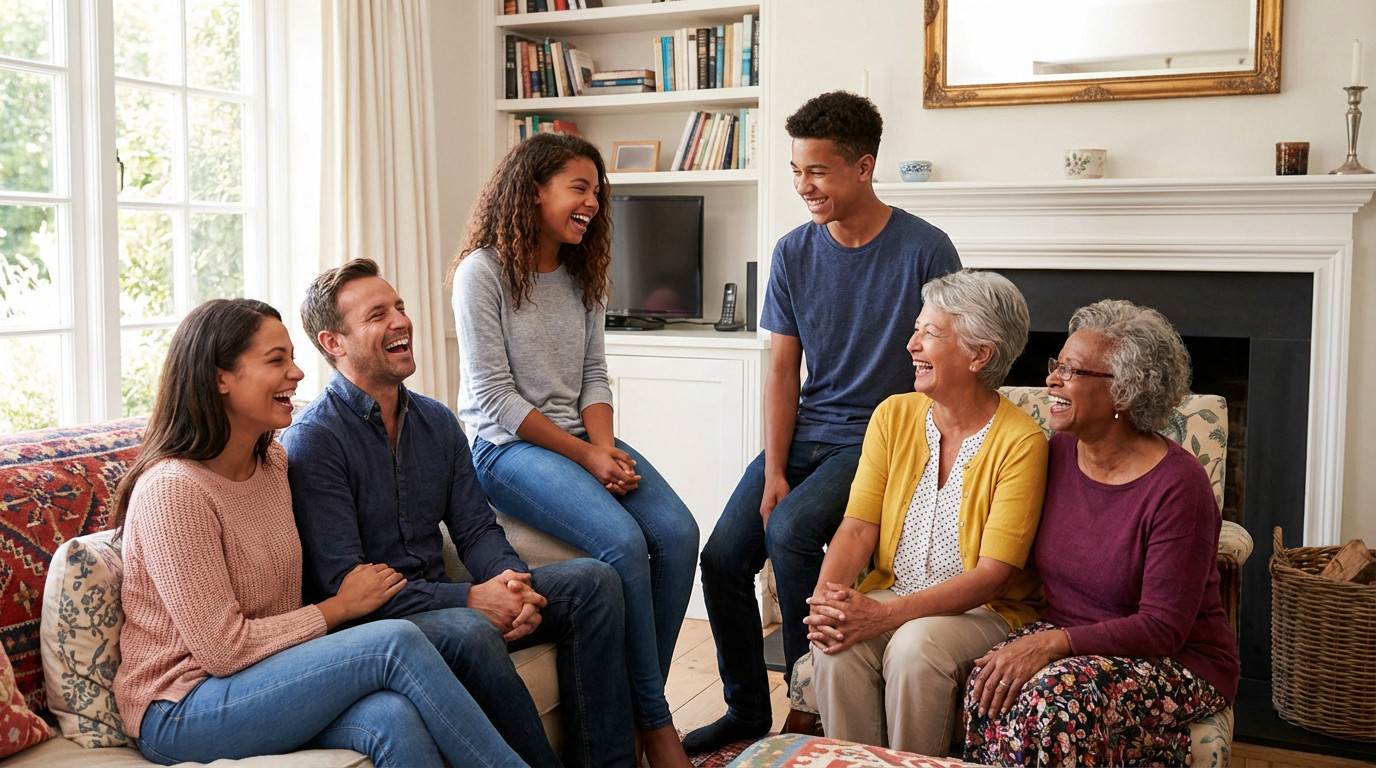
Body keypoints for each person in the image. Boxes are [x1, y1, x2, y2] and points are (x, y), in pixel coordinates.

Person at [109, 298, 526, 767]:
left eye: (291, 356)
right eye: (276, 360)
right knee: (396, 641)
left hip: (265, 676)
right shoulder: (174, 490)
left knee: (393, 715)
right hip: (182, 707)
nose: (298, 373)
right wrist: (339, 608)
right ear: (218, 377)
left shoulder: (271, 463)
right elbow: (224, 650)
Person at [683, 90, 963, 754]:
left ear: (863, 167)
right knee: (721, 558)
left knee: (792, 531)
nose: (804, 186)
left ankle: (814, 698)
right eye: (795, 170)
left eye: (817, 171)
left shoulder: (926, 250)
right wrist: (775, 467)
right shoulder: (792, 253)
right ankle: (748, 711)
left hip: (883, 438)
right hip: (809, 432)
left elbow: (952, 363)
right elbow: (783, 369)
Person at [283, 259, 634, 768]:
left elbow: (474, 529)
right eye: (378, 314)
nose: (402, 321)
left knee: (594, 582)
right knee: (469, 629)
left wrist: (511, 583)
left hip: (445, 600)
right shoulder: (315, 441)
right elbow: (345, 584)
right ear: (334, 342)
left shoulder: (437, 422)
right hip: (377, 625)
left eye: (400, 307)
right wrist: (471, 599)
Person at [449, 132, 697, 768]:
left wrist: (605, 448)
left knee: (677, 531)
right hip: (505, 447)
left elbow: (593, 375)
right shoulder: (482, 273)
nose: (592, 203)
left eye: (597, 192)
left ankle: (645, 707)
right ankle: (658, 724)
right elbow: (495, 398)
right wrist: (586, 456)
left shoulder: (584, 273)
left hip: (582, 434)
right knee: (623, 542)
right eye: (579, 188)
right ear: (535, 191)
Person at [963, 299, 1240, 766]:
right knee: (990, 678)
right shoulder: (1054, 455)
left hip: (1178, 661)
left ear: (1125, 393)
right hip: (1073, 641)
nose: (1051, 379)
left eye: (1072, 371)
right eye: (1057, 365)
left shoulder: (1179, 485)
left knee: (1053, 697)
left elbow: (1163, 628)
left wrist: (1053, 643)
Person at [802, 269, 1047, 756]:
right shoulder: (893, 415)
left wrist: (882, 616)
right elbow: (856, 528)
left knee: (917, 647)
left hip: (982, 611)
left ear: (980, 355)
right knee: (836, 647)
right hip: (895, 590)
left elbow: (995, 576)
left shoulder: (1022, 441)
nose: (911, 344)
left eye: (930, 333)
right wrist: (828, 604)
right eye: (917, 329)